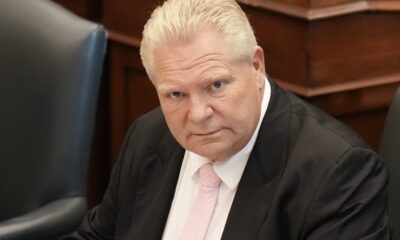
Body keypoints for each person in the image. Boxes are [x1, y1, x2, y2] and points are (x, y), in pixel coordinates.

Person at [66, 0, 390, 239]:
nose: (198, 114)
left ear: (257, 66)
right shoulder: (149, 136)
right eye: (175, 95)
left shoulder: (337, 174)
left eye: (215, 85)